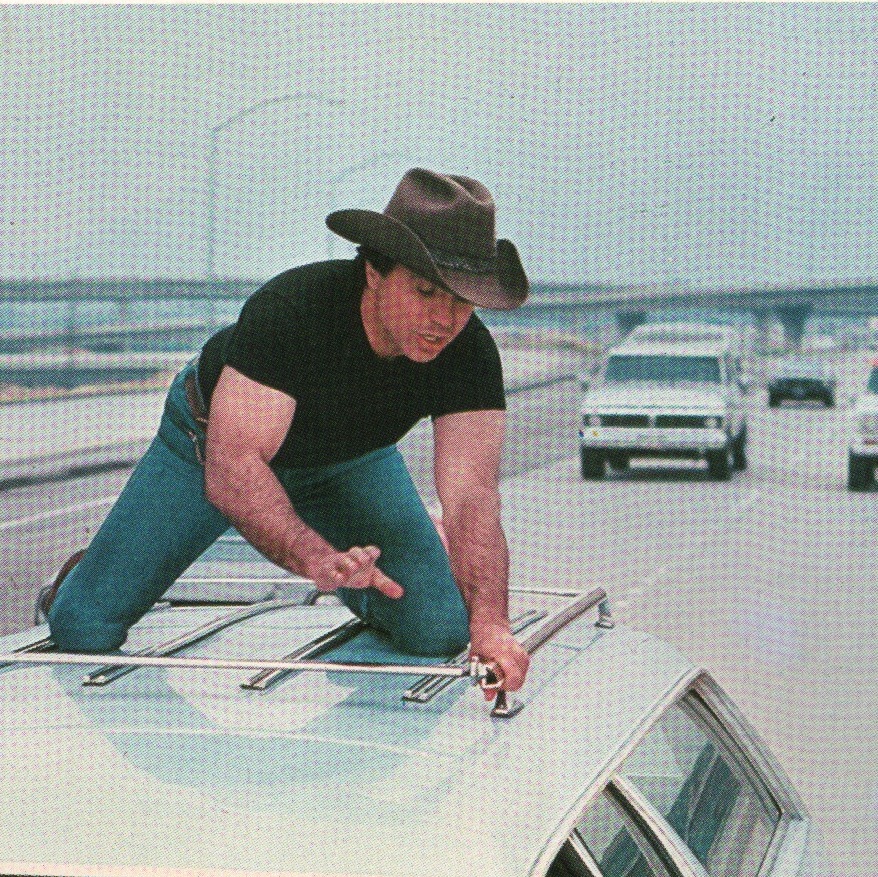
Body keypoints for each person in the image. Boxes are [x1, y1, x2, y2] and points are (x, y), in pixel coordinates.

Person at [46, 169, 534, 694]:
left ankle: (361, 580)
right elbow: (234, 470)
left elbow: (472, 496)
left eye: (462, 301)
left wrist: (492, 624)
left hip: (348, 464)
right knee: (83, 630)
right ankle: (90, 571)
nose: (444, 320)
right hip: (210, 449)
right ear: (375, 271)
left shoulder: (469, 353)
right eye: (425, 291)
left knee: (440, 629)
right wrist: (314, 556)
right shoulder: (295, 308)